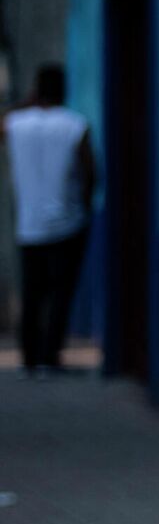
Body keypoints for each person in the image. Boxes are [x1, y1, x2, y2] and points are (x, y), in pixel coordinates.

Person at [4, 64, 94, 376]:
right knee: (60, 293)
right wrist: (84, 206)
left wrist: (24, 104)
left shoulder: (16, 123)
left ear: (36, 90)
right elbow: (90, 171)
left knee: (32, 292)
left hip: (29, 225)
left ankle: (29, 357)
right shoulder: (75, 125)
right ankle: (49, 356)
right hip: (68, 222)